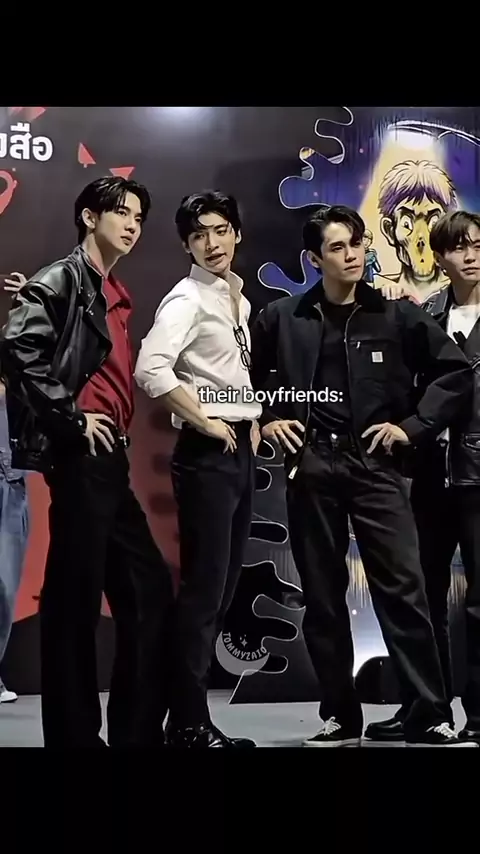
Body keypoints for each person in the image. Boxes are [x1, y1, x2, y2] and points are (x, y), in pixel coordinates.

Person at [250, 204, 477, 747]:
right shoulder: (281, 317)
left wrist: (413, 427)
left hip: (377, 467)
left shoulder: (396, 315)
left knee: (404, 591)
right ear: (313, 259)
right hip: (311, 467)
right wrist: (269, 416)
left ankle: (428, 712)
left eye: (357, 243)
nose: (352, 255)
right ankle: (339, 715)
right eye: (337, 247)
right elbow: (246, 379)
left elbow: (454, 372)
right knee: (323, 596)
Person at [0, 176, 174, 747]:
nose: (132, 225)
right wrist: (71, 418)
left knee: (146, 592)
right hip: (81, 455)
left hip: (110, 458)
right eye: (121, 213)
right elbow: (18, 347)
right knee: (75, 600)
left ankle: (135, 732)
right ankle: (74, 738)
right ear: (88, 217)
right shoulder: (63, 279)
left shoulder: (111, 291)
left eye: (139, 217)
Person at [135, 190, 260, 748]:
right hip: (207, 455)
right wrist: (206, 420)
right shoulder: (185, 298)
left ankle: (187, 719)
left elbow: (230, 371)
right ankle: (188, 723)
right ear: (187, 244)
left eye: (220, 230)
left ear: (236, 233)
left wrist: (250, 417)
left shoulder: (236, 296)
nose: (212, 243)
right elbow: (151, 369)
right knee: (204, 594)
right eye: (199, 235)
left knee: (222, 592)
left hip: (239, 450)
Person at [365, 210, 480, 745]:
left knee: (478, 602)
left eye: (478, 244)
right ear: (440, 257)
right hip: (429, 474)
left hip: (478, 475)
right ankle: (423, 707)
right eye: (459, 247)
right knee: (419, 596)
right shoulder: (426, 311)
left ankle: (478, 714)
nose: (471, 255)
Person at [0, 272, 29, 704]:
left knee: (5, 585)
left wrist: (27, 302)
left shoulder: (15, 371)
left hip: (10, 481)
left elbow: (23, 345)